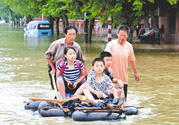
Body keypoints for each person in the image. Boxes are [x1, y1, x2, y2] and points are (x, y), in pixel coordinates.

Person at [45, 25, 87, 90]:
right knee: (56, 87)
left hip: (71, 69)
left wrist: (85, 73)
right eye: (70, 34)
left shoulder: (77, 46)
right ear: (65, 34)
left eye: (74, 34)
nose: (72, 37)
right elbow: (47, 56)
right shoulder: (57, 44)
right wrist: (53, 69)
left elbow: (82, 60)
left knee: (74, 86)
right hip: (56, 67)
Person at [105, 25, 140, 100]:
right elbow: (105, 57)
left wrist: (136, 72)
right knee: (111, 100)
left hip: (123, 78)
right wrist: (109, 67)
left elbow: (132, 60)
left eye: (124, 35)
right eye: (121, 35)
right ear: (117, 34)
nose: (122, 37)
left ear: (127, 35)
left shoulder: (129, 46)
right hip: (111, 78)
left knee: (123, 101)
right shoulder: (111, 44)